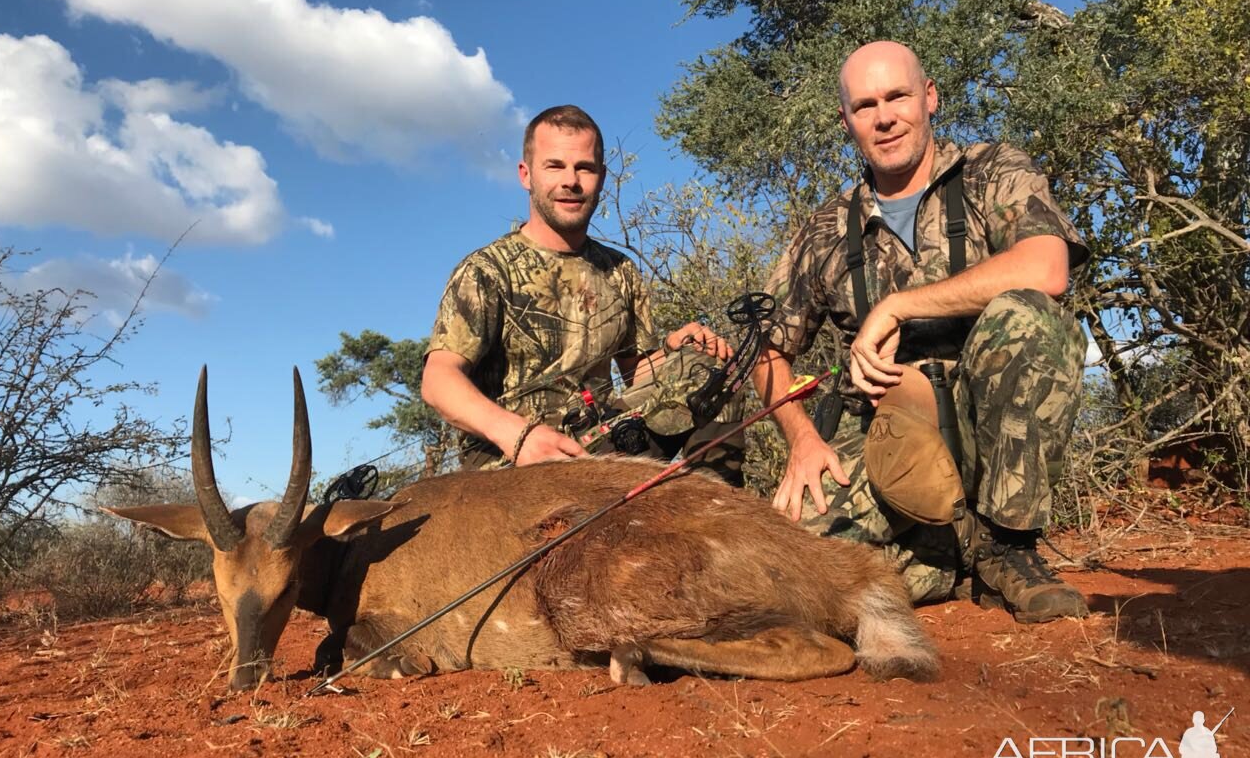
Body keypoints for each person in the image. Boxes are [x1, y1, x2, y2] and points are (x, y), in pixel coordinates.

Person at [751, 41, 1090, 622]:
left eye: (897, 96)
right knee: (791, 571)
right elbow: (767, 351)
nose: (884, 117)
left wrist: (899, 306)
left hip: (989, 428)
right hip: (889, 433)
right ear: (847, 121)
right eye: (865, 105)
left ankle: (1010, 545)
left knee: (1028, 316)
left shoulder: (993, 169)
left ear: (928, 97)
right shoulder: (824, 229)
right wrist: (803, 441)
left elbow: (1047, 268)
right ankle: (952, 557)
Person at [422, 104, 743, 480]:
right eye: (554, 166)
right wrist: (518, 435)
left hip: (600, 447)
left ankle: (718, 515)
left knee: (709, 367)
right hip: (512, 470)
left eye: (584, 168)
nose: (571, 181)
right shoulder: (487, 270)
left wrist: (675, 353)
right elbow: (438, 380)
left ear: (602, 177)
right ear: (526, 175)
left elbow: (634, 372)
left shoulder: (620, 270)